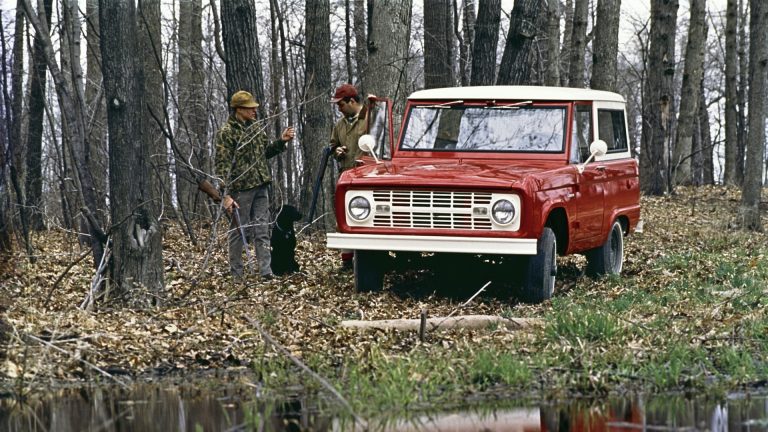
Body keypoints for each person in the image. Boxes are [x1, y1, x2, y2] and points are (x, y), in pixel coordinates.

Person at [215, 90, 295, 280]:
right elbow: (221, 164)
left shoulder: (256, 128)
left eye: (254, 107)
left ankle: (266, 272)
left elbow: (265, 153)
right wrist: (225, 195)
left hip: (261, 185)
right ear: (239, 109)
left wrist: (281, 142)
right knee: (239, 231)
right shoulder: (226, 133)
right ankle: (237, 275)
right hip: (240, 189)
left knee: (262, 229)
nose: (254, 111)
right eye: (250, 108)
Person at [329, 83, 370, 270]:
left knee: (364, 218)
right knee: (343, 218)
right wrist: (336, 150)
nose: (339, 108)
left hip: (367, 177)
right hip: (346, 177)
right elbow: (332, 145)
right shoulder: (340, 125)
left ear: (352, 101)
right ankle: (346, 261)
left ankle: (367, 260)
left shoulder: (371, 119)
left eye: (341, 104)